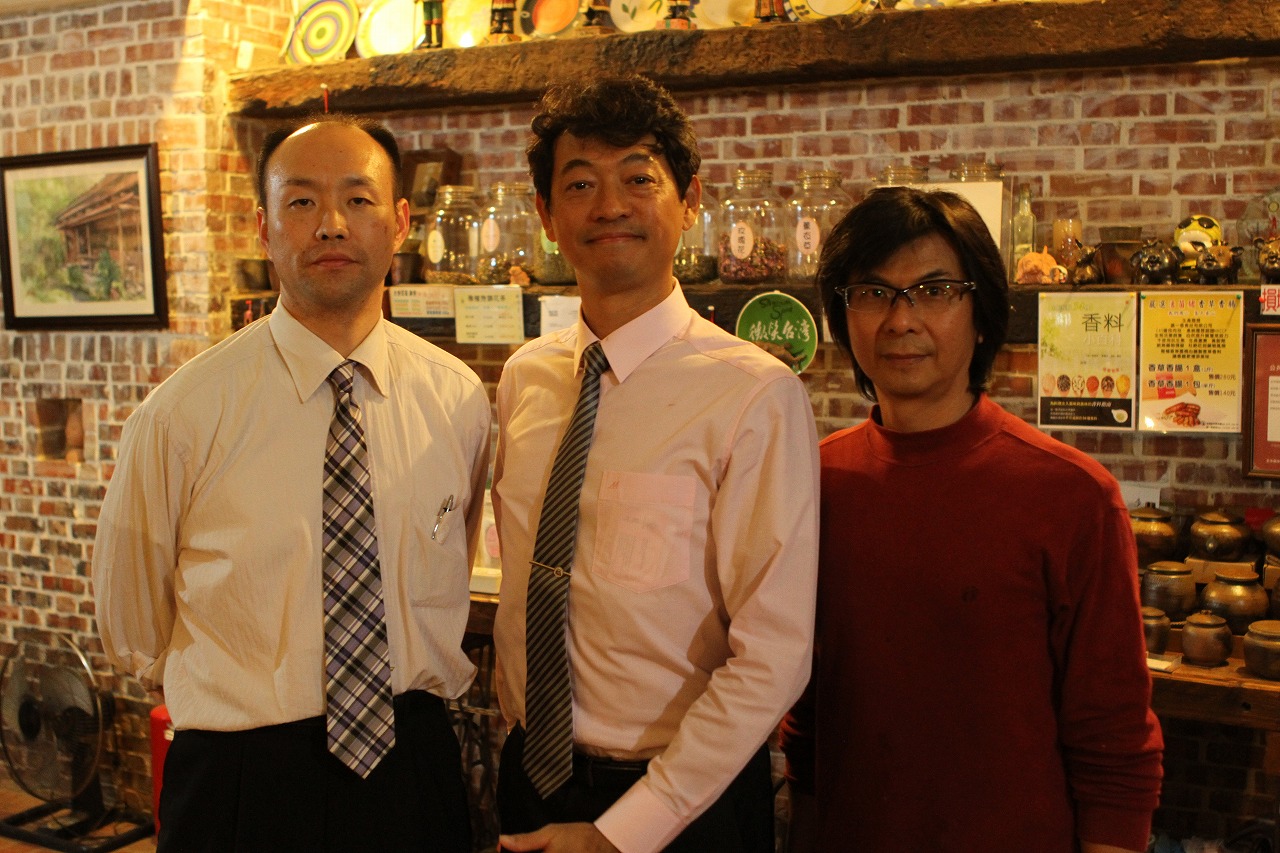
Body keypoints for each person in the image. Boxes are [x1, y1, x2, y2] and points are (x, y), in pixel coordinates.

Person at [92, 114, 490, 852]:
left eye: (359, 199)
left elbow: (452, 564)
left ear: (401, 222)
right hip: (242, 777)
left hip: (414, 765)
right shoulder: (183, 413)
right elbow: (133, 621)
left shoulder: (458, 398)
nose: (331, 223)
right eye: (302, 201)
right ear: (264, 227)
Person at [780, 186, 1164, 853]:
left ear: (981, 315)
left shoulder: (1072, 496)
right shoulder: (811, 482)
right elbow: (810, 711)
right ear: (843, 317)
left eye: (934, 291)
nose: (901, 320)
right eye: (872, 292)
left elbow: (1115, 741)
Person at [491, 74, 819, 853]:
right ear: (547, 216)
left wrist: (625, 830)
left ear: (690, 199)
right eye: (580, 185)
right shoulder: (526, 377)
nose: (610, 206)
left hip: (683, 800)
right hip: (531, 776)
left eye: (638, 179)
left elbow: (775, 652)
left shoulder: (754, 393)